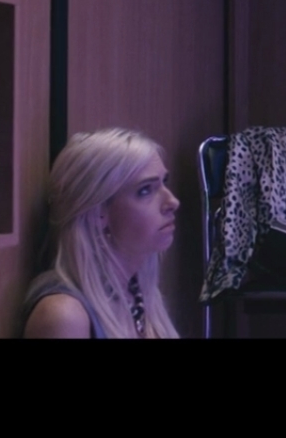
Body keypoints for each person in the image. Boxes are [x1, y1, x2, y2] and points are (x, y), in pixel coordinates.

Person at [23, 128, 181, 338]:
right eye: (145, 190)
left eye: (164, 182)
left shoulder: (137, 291)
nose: (172, 202)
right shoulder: (64, 315)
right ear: (98, 212)